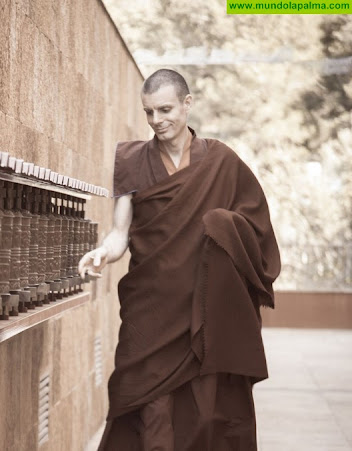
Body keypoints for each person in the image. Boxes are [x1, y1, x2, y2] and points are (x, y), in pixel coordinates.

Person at [78, 69, 281, 451]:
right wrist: (104, 251)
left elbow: (256, 228)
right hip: (150, 311)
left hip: (203, 315)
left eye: (165, 109)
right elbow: (121, 233)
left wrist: (223, 228)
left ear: (187, 104)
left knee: (203, 413)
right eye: (149, 112)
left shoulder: (220, 161)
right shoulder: (132, 159)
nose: (157, 121)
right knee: (149, 409)